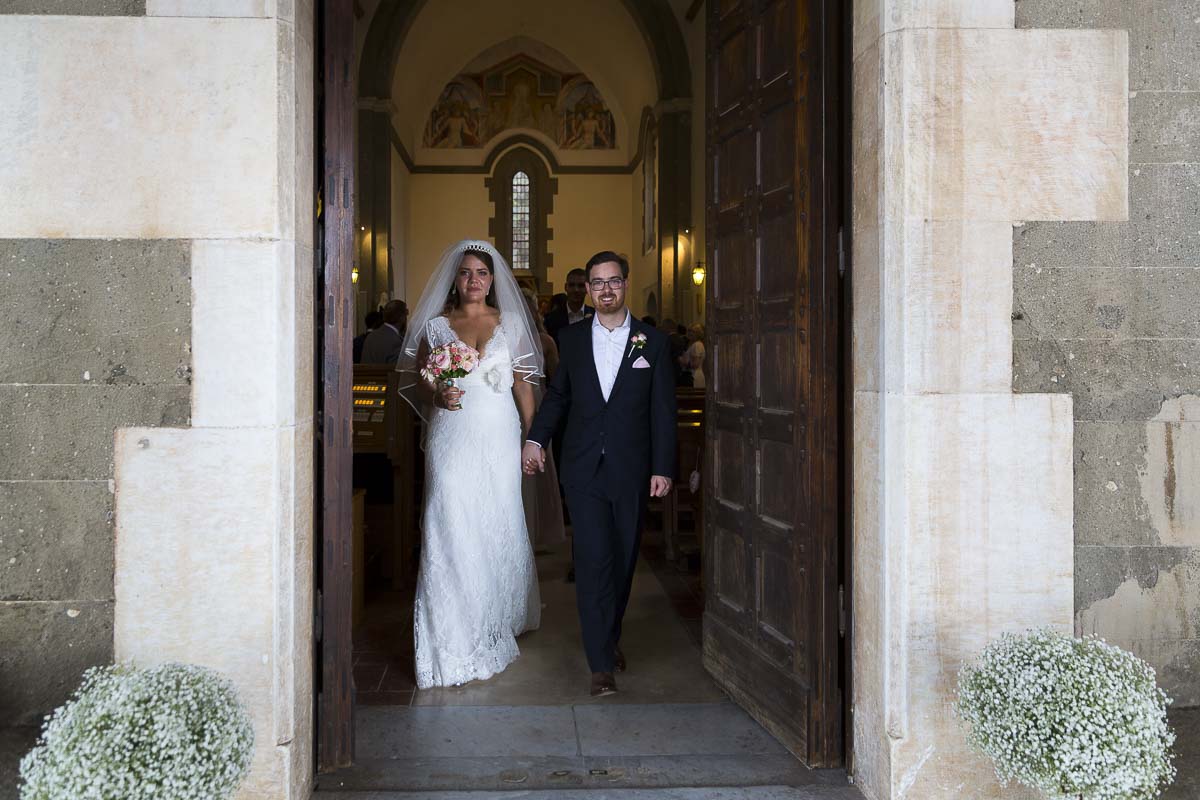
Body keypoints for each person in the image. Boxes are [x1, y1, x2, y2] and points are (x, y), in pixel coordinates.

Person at [523, 250, 677, 698]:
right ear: (587, 290)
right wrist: (536, 439)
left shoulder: (654, 342)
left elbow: (662, 412)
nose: (605, 289)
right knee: (593, 562)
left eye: (613, 281)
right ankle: (600, 664)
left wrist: (663, 467)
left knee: (625, 560)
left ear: (625, 284)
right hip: (584, 468)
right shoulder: (569, 340)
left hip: (631, 469)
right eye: (597, 282)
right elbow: (558, 398)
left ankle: (609, 638)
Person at [395, 240, 543, 689]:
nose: (474, 280)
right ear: (454, 280)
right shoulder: (437, 328)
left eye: (481, 272)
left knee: (497, 517)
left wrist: (533, 437)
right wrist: (437, 393)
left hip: (498, 437)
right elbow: (421, 382)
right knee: (449, 517)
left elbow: (521, 385)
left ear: (493, 280)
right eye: (465, 273)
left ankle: (499, 609)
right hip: (452, 436)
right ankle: (453, 627)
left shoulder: (510, 323)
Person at [520, 289, 566, 550]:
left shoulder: (544, 340)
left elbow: (557, 377)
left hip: (537, 403)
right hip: (508, 405)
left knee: (537, 467)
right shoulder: (502, 336)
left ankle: (540, 531)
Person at [544, 268, 593, 345]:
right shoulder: (551, 319)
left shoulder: (596, 316)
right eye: (572, 285)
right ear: (566, 287)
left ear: (587, 289)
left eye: (581, 286)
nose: (576, 290)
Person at [360, 299, 408, 365]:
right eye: (406, 314)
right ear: (401, 317)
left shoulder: (371, 336)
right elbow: (396, 371)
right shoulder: (395, 341)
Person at [680, 323, 706, 389]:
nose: (689, 333)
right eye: (689, 330)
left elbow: (695, 364)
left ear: (699, 333)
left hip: (693, 376)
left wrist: (683, 361)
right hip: (692, 375)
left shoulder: (697, 345)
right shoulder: (693, 344)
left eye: (693, 331)